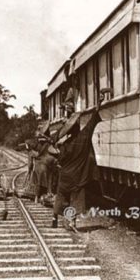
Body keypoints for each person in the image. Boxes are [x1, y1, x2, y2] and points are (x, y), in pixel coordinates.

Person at [53, 91, 103, 229]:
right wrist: (98, 104)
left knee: (60, 196)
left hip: (64, 177)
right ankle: (72, 221)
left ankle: (54, 219)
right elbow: (92, 123)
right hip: (77, 177)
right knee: (76, 200)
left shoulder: (64, 145)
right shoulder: (83, 138)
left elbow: (58, 158)